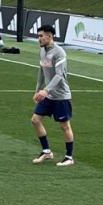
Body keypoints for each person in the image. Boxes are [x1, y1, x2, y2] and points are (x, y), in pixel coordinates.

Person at [30, 24, 75, 166]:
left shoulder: (59, 52)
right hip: (47, 95)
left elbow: (59, 75)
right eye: (39, 36)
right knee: (35, 120)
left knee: (64, 126)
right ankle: (46, 151)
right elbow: (41, 71)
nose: (39, 39)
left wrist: (46, 90)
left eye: (41, 36)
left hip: (60, 96)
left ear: (50, 36)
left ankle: (69, 157)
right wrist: (38, 89)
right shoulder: (42, 51)